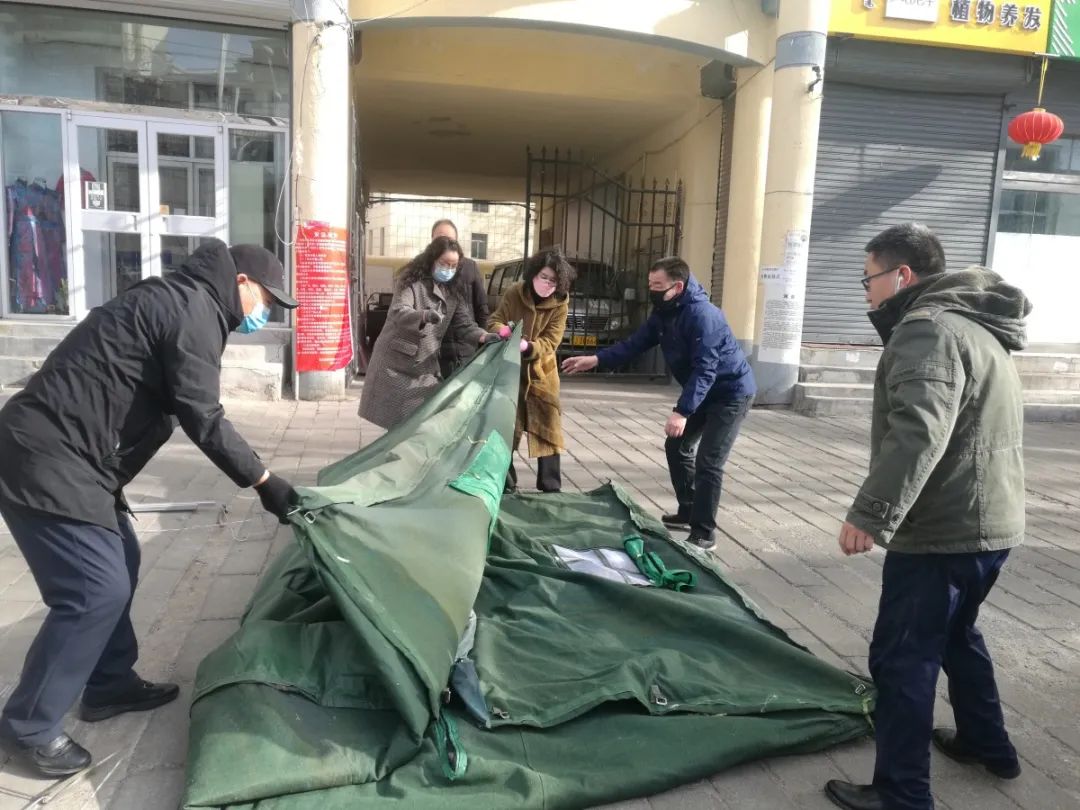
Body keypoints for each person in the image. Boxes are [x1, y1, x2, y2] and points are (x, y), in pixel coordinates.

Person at [0, 239, 300, 778]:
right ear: (241, 282)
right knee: (94, 591)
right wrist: (264, 481)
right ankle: (28, 727)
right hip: (45, 456)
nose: (266, 312)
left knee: (124, 557)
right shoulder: (194, 311)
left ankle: (108, 683)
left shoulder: (186, 300)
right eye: (266, 299)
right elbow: (204, 416)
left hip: (79, 459)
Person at [824, 224, 1029, 810]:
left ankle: (902, 792)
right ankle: (988, 745)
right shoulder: (975, 323)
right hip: (990, 521)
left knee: (903, 656)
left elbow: (919, 431)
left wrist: (870, 514)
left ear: (902, 276)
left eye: (869, 278)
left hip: (944, 529)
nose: (866, 291)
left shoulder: (927, 328)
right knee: (957, 636)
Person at [562, 257, 755, 550]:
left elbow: (706, 369)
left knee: (709, 461)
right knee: (676, 446)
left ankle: (704, 533)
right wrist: (596, 359)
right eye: (650, 283)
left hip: (730, 394)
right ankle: (688, 510)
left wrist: (682, 412)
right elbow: (635, 344)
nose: (651, 290)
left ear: (677, 286)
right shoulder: (665, 312)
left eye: (657, 285)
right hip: (703, 391)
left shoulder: (704, 316)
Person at [360, 236, 497, 430]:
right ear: (432, 259)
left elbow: (464, 324)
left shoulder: (453, 291)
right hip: (396, 365)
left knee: (421, 423)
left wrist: (484, 336)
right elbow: (399, 311)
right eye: (444, 263)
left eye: (453, 266)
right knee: (404, 426)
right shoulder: (411, 280)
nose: (448, 270)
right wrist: (423, 316)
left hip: (424, 368)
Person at [488, 249, 572, 492]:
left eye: (553, 280)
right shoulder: (515, 292)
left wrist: (529, 347)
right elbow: (495, 319)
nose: (547, 283)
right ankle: (506, 483)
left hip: (541, 373)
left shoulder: (560, 303)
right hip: (510, 371)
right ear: (534, 273)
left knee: (548, 429)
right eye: (544, 276)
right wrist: (502, 330)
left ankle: (550, 485)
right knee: (506, 426)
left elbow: (551, 341)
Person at [431, 219, 489, 377]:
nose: (444, 244)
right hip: (435, 355)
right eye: (440, 239)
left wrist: (483, 342)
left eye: (450, 239)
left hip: (466, 350)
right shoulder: (421, 271)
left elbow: (481, 308)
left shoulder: (469, 267)